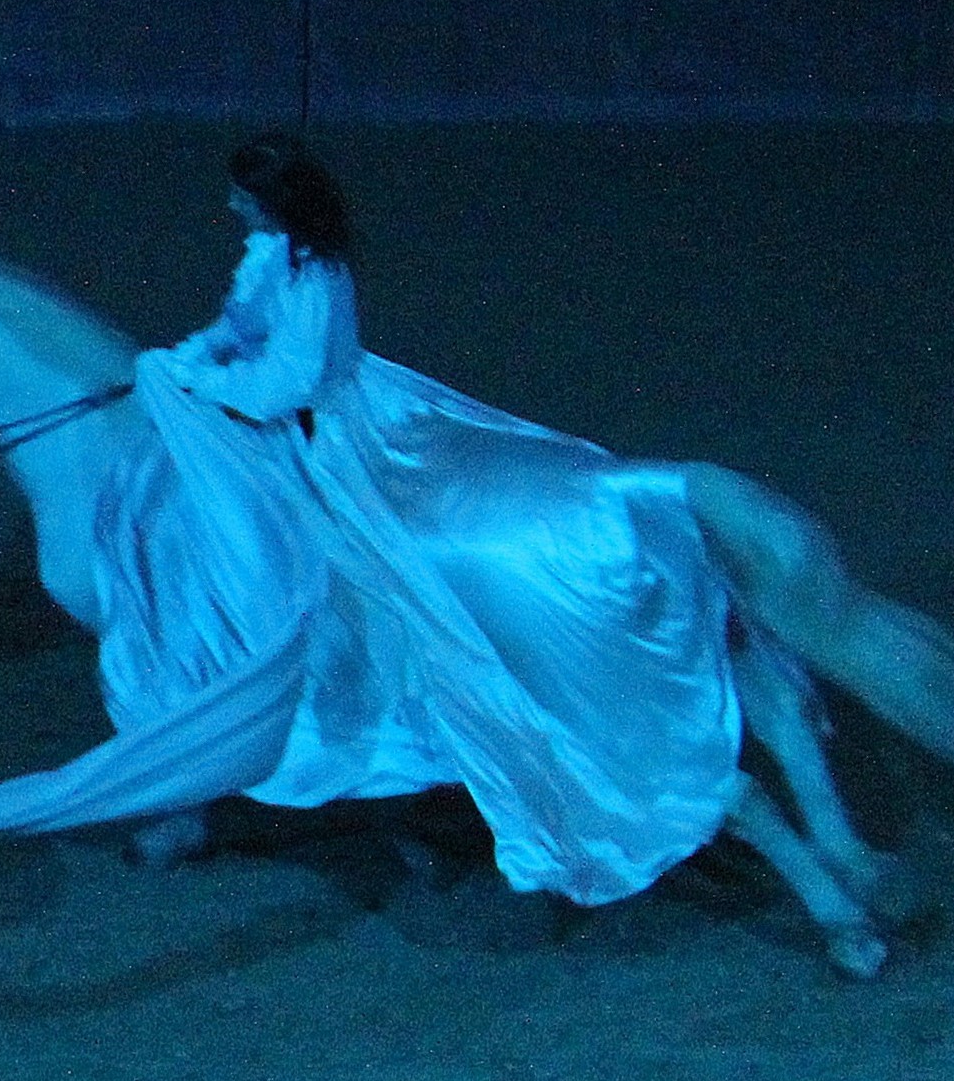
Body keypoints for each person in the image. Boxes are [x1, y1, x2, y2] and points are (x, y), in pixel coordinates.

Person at [97, 140, 744, 901]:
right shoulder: (269, 254)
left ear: (272, 200)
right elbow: (236, 328)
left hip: (333, 433)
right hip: (271, 410)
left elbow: (289, 381)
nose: (231, 205)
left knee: (323, 556)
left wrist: (203, 382)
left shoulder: (318, 278)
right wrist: (186, 358)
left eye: (243, 194)